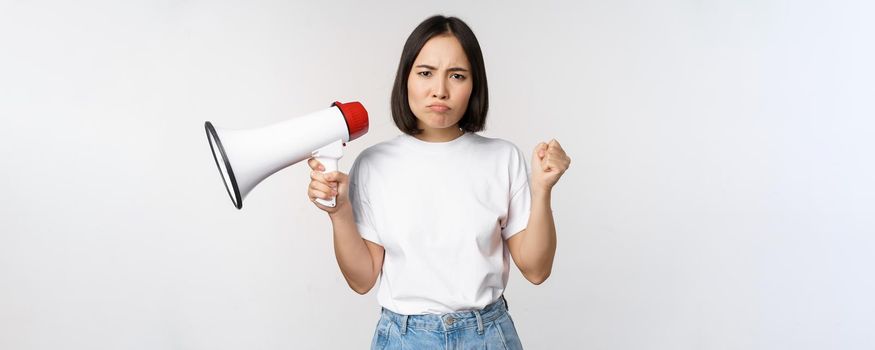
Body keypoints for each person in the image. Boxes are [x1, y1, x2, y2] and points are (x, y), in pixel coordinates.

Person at [306, 15, 570, 349]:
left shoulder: (503, 158)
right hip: (403, 338)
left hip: (487, 336)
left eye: (457, 75)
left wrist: (542, 189)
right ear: (406, 79)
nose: (440, 90)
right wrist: (339, 211)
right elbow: (361, 280)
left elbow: (536, 270)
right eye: (425, 73)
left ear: (474, 84)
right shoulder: (374, 164)